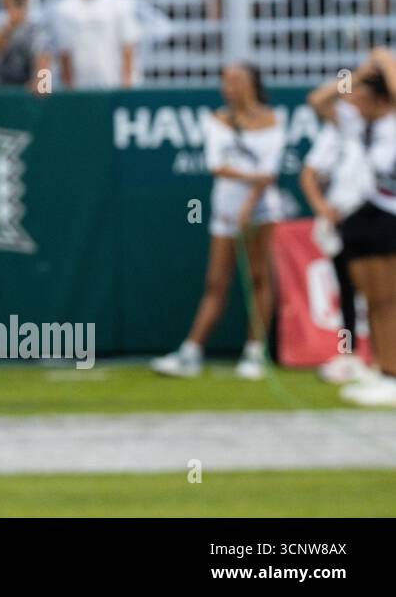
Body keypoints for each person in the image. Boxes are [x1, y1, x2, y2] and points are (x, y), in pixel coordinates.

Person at [152, 63, 286, 380]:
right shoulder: (217, 120)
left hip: (263, 211)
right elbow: (217, 165)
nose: (229, 88)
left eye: (236, 81)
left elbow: (270, 173)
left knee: (259, 277)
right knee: (216, 281)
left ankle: (255, 351)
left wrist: (250, 203)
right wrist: (249, 184)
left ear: (252, 83)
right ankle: (192, 351)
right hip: (225, 211)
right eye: (225, 82)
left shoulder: (273, 120)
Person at [307, 48, 396, 407]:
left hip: (385, 213)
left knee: (389, 300)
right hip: (356, 215)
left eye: (360, 94)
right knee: (372, 302)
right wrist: (358, 74)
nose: (353, 99)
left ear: (378, 98)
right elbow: (319, 100)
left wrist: (385, 62)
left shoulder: (392, 121)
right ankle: (380, 367)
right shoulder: (357, 124)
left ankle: (392, 371)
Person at [299, 109, 372, 385]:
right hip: (345, 221)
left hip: (381, 218)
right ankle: (350, 356)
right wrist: (322, 208)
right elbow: (309, 174)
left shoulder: (386, 129)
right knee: (348, 290)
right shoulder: (338, 131)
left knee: (382, 294)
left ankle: (384, 361)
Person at [47, 0, 140, 89]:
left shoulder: (119, 4)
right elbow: (64, 53)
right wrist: (69, 87)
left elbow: (128, 47)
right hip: (81, 89)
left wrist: (127, 84)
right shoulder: (64, 10)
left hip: (114, 85)